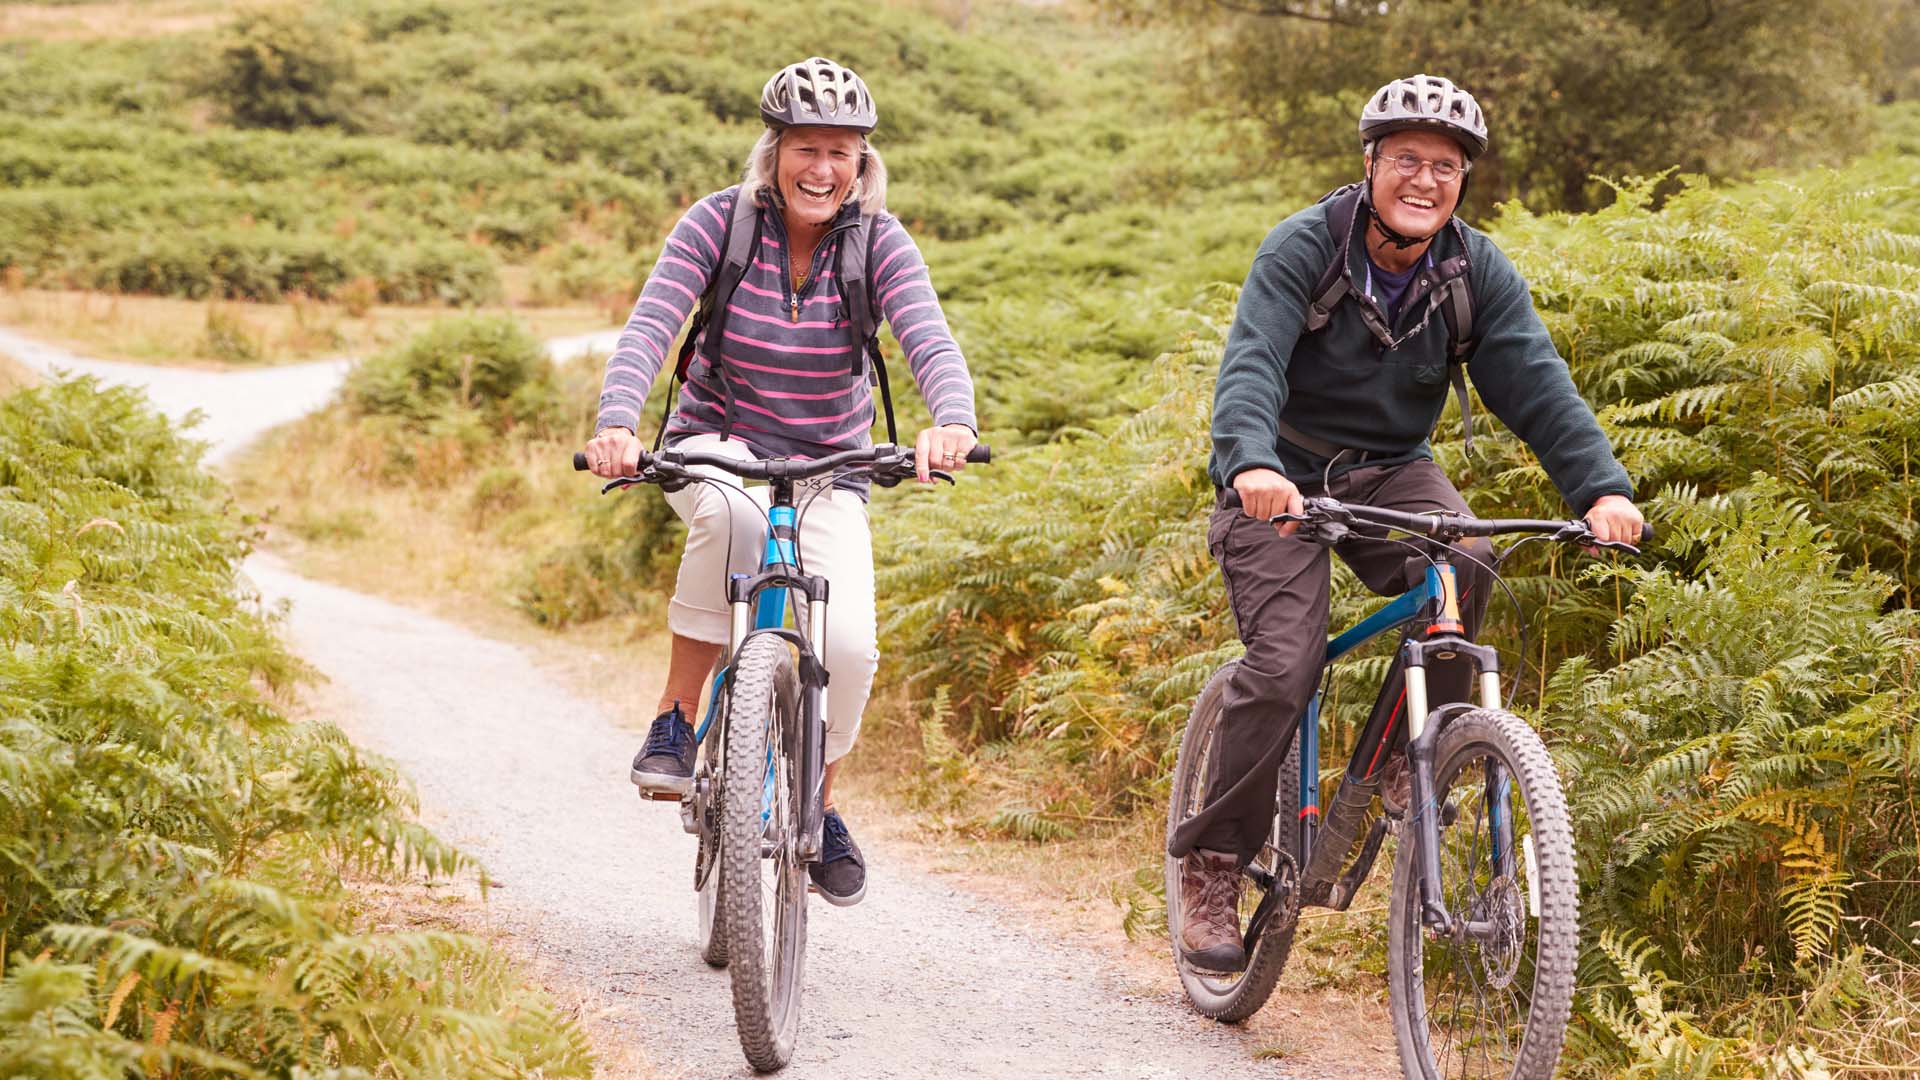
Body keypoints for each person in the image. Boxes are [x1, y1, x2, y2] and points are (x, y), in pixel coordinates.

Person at [1167, 74, 1645, 973]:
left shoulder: (1475, 271)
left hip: (1392, 470)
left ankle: (1407, 754)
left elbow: (1539, 387)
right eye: (1408, 161)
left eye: (1446, 167)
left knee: (1471, 558)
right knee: (1284, 662)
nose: (1426, 181)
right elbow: (1251, 366)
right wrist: (1254, 465)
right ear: (1372, 164)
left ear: (1463, 181)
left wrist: (1601, 489)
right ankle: (1216, 862)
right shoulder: (1304, 248)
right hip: (1284, 475)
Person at [582, 57, 979, 907]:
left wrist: (953, 421)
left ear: (862, 163)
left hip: (832, 461)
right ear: (775, 153)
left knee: (850, 647)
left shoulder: (880, 240)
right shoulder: (717, 224)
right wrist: (619, 421)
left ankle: (821, 805)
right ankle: (677, 719)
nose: (822, 169)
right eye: (806, 148)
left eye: (841, 152)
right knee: (732, 521)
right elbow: (651, 324)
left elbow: (929, 340)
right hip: (717, 440)